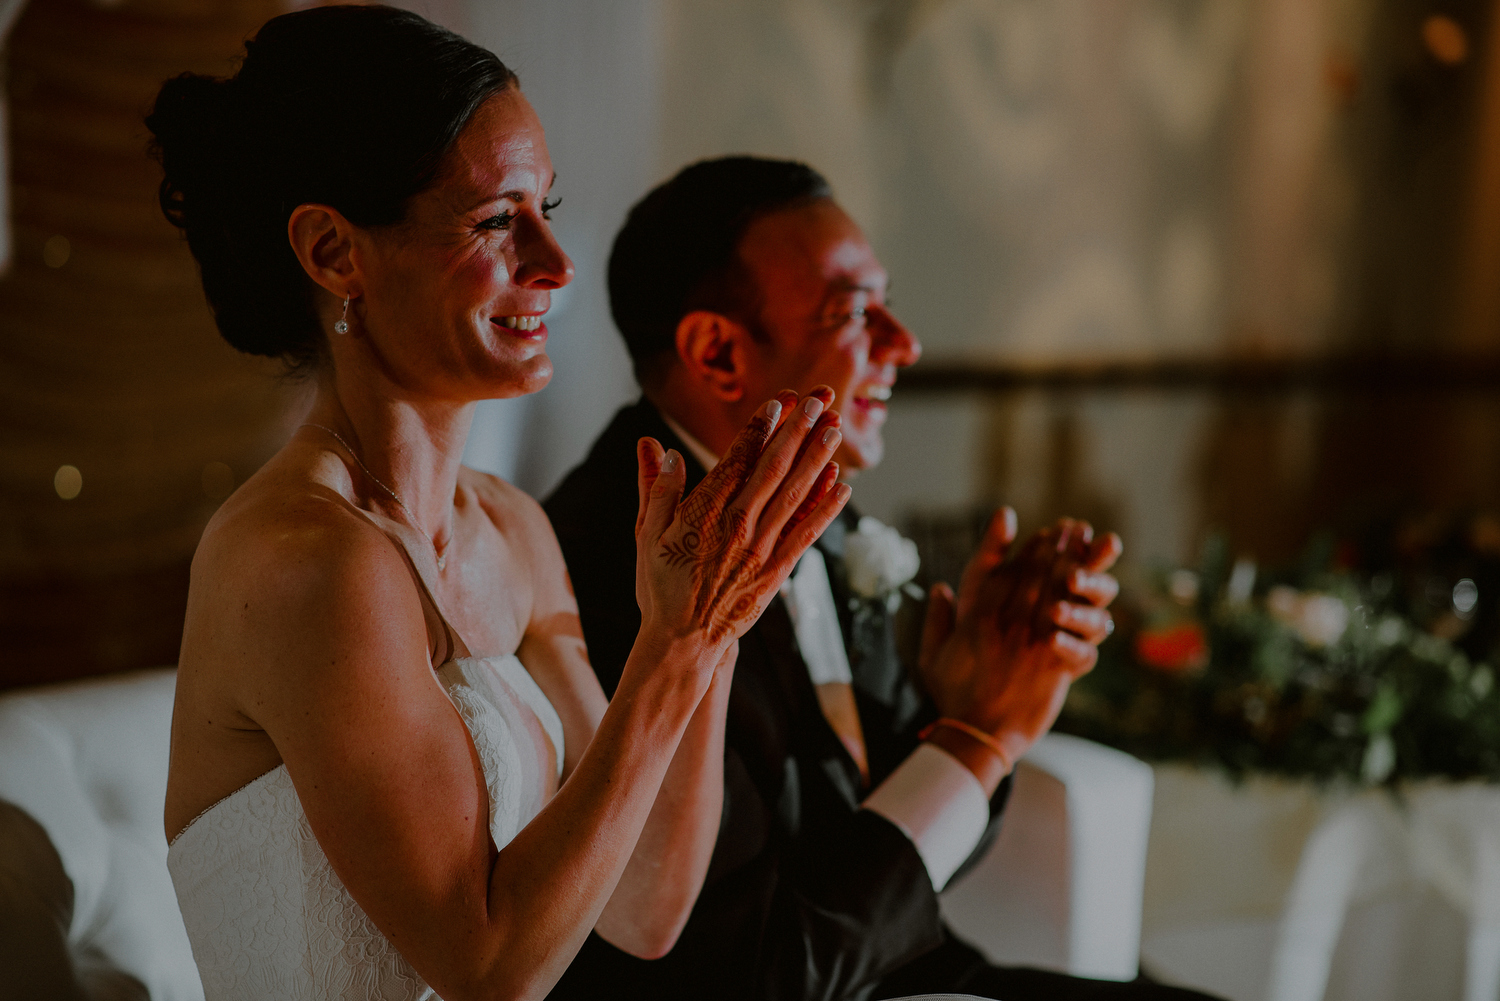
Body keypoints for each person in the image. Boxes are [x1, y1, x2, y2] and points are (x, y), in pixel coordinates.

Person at [149, 13, 850, 1000]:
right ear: (333, 250)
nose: (556, 264)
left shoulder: (512, 531)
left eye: (547, 205)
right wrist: (673, 650)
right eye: (495, 221)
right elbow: (485, 965)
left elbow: (645, 905)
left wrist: (715, 621)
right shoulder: (305, 559)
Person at [544, 157, 1220, 1001]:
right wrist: (975, 740)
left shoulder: (818, 515)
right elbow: (753, 975)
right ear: (719, 352)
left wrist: (968, 701)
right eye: (857, 311)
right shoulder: (617, 559)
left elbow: (887, 850)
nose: (905, 344)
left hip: (912, 970)